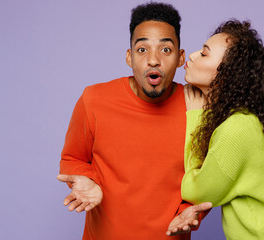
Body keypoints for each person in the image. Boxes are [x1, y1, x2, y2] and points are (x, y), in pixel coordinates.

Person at [57, 3, 211, 240]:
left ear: (181, 58)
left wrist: (190, 213)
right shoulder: (94, 100)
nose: (153, 60)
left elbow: (204, 177)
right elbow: (73, 158)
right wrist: (88, 180)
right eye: (142, 50)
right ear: (129, 57)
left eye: (165, 50)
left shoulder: (197, 107)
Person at [179, 20, 264, 239]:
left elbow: (197, 192)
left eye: (204, 54)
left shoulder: (237, 128)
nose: (193, 55)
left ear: (227, 74)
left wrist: (196, 117)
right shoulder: (248, 119)